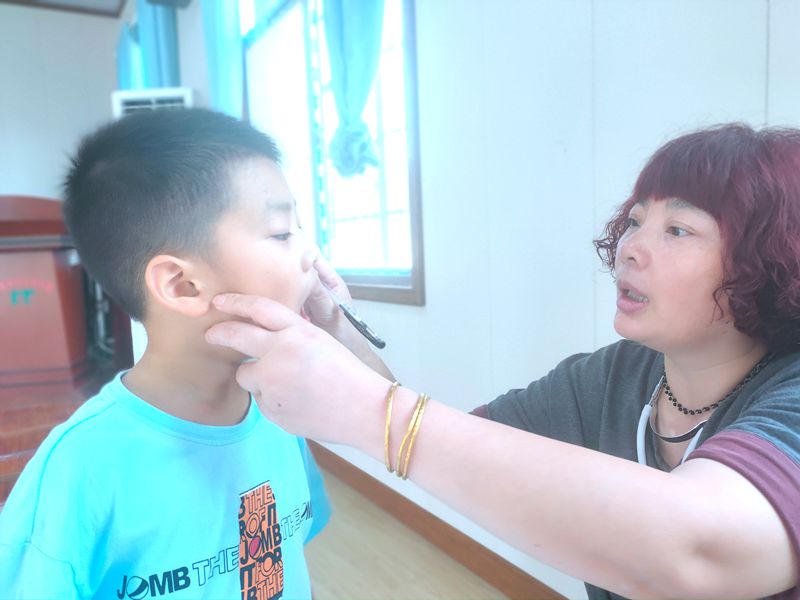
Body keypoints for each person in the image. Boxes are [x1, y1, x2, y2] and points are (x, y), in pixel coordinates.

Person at [205, 124, 800, 599]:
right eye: (637, 220)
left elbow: (698, 551)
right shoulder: (612, 376)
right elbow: (452, 444)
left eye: (678, 229)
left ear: (766, 258)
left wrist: (366, 410)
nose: (630, 248)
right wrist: (335, 325)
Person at [0, 108, 330, 600]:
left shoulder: (280, 410)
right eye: (283, 233)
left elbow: (285, 561)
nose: (311, 254)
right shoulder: (81, 468)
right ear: (181, 285)